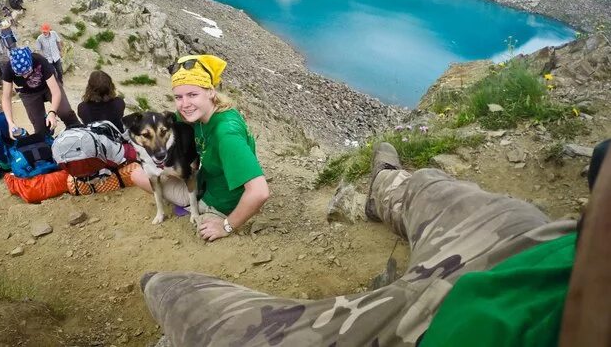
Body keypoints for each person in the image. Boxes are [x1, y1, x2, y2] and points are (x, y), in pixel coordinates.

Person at [141, 140, 611, 347]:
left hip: (434, 326)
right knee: (437, 190)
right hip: (545, 243)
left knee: (222, 327)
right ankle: (387, 183)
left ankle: (161, 285)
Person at [130, 54, 269, 242]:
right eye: (178, 97)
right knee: (140, 172)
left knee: (137, 175)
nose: (184, 104)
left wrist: (227, 226)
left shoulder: (226, 134)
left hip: (219, 202)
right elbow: (165, 124)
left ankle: (198, 209)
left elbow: (260, 192)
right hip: (205, 182)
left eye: (192, 95)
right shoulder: (203, 114)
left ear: (211, 91)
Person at [1, 47, 79, 137]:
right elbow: (6, 97)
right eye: (20, 74)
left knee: (65, 112)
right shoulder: (8, 68)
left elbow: (55, 91)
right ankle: (47, 141)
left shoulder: (40, 60)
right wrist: (10, 122)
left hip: (47, 87)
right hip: (28, 93)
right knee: (39, 128)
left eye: (27, 71)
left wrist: (52, 112)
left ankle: (79, 131)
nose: (25, 76)